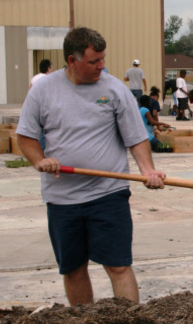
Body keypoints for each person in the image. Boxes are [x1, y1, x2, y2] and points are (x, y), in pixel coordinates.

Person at [16, 27, 166, 306]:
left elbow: (135, 136)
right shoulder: (43, 90)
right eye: (94, 61)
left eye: (103, 59)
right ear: (72, 61)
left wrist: (147, 170)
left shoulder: (114, 89)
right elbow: (25, 135)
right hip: (62, 198)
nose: (102, 66)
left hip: (108, 194)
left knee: (118, 265)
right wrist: (39, 160)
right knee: (73, 269)